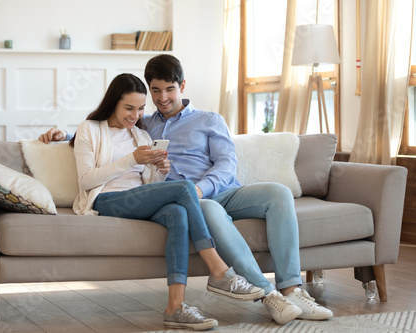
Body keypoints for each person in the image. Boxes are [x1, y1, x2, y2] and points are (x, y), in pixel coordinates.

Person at [39, 56, 334, 325]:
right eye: (155, 91)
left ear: (182, 85)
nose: (162, 98)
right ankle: (268, 295)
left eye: (169, 89)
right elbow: (106, 129)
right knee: (197, 205)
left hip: (218, 191)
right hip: (191, 201)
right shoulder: (143, 124)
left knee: (279, 193)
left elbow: (226, 164)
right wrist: (65, 135)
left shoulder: (208, 120)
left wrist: (200, 188)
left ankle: (292, 289)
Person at [69, 73, 265, 331]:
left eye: (140, 109)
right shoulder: (90, 129)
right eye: (128, 108)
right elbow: (85, 180)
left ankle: (175, 306)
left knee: (177, 213)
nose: (135, 115)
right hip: (106, 199)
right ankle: (219, 271)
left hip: (137, 199)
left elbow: (149, 186)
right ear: (113, 102)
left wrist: (160, 169)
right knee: (184, 188)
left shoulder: (140, 136)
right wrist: (132, 160)